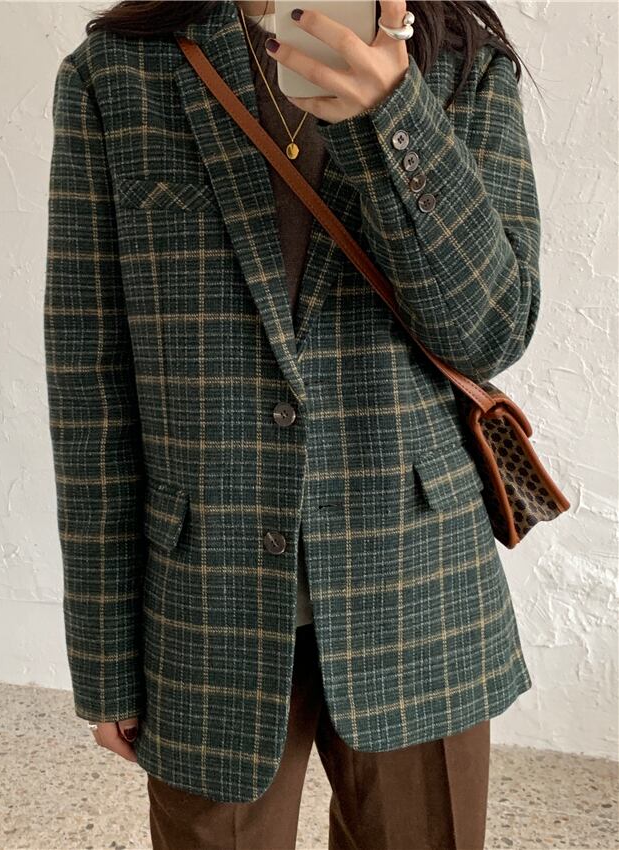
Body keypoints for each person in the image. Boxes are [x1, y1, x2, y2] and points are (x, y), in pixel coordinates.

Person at [44, 2, 541, 847]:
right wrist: (104, 659)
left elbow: (490, 329)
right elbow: (90, 383)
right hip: (206, 598)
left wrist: (395, 115)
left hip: (417, 576)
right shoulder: (118, 73)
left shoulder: (462, 61)